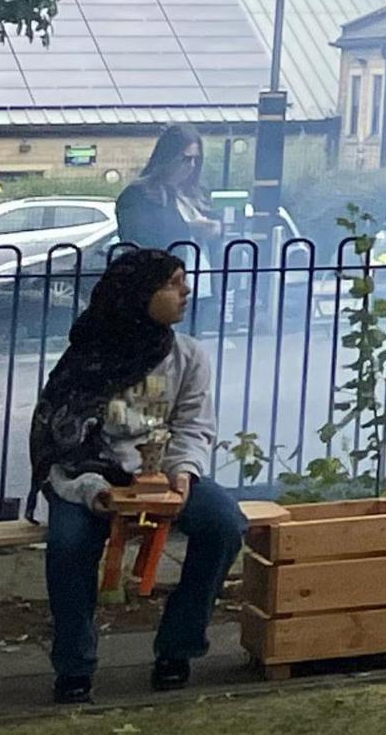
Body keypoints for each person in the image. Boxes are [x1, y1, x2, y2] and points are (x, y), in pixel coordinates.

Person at [29, 247, 241, 702]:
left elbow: (193, 426)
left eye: (184, 282)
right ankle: (74, 666)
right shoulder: (86, 359)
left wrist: (182, 475)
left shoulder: (188, 357)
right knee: (68, 546)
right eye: (172, 283)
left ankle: (177, 648)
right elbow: (61, 447)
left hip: (161, 478)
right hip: (88, 481)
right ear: (139, 294)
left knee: (223, 524)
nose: (185, 292)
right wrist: (95, 492)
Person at [112, 129, 218, 260]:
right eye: (185, 158)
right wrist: (188, 229)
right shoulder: (138, 195)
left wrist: (216, 229)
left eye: (196, 159)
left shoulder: (196, 194)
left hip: (198, 273)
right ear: (168, 158)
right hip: (159, 275)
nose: (192, 165)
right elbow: (136, 240)